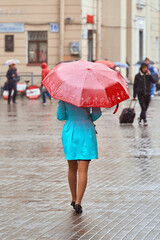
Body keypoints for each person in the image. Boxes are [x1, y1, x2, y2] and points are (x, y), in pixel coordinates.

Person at [57, 101, 102, 214]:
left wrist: (71, 115)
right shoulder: (92, 94)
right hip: (86, 130)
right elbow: (97, 114)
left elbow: (60, 116)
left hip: (70, 130)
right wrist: (87, 116)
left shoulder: (64, 95)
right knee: (83, 170)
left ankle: (73, 198)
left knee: (71, 168)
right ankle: (78, 202)